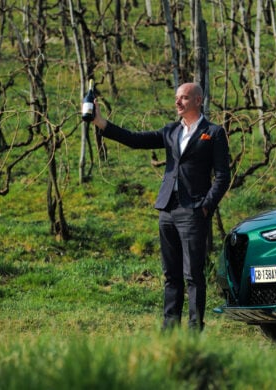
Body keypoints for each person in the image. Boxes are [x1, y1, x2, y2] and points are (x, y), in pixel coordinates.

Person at [91, 82, 231, 331]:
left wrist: (206, 207)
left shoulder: (214, 132)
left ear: (198, 101)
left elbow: (222, 177)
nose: (178, 102)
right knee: (171, 274)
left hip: (194, 211)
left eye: (184, 98)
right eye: (177, 97)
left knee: (194, 276)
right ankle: (169, 331)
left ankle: (194, 331)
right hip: (167, 209)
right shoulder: (170, 131)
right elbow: (135, 140)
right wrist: (102, 123)